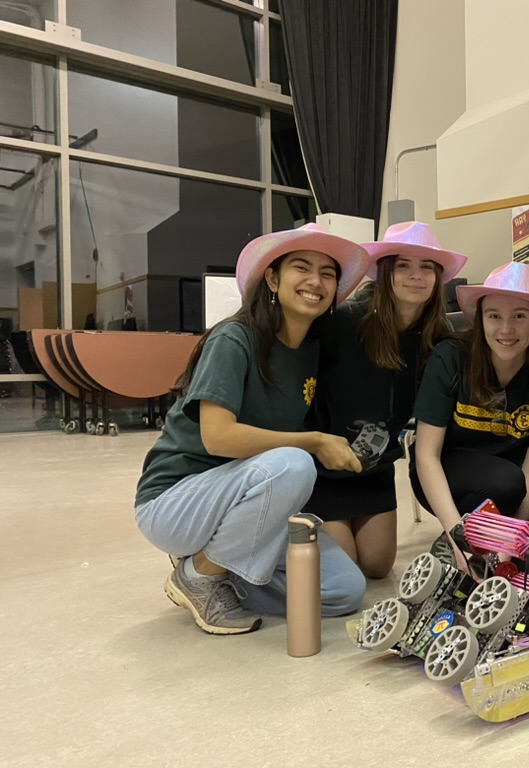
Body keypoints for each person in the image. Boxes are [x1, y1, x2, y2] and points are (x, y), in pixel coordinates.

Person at [134, 223, 371, 635]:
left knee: (343, 591)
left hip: (246, 502)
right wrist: (315, 442)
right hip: (175, 503)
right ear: (273, 279)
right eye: (302, 267)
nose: (316, 281)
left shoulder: (310, 350)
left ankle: (220, 574)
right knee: (294, 464)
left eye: (327, 273)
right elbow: (218, 437)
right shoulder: (234, 339)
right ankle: (200, 575)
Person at [304, 221, 466, 578]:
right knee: (345, 570)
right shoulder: (343, 322)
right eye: (403, 266)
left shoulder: (438, 336)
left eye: (427, 267)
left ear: (438, 278)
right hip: (323, 468)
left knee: (377, 566)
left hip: (375, 468)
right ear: (384, 272)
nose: (416, 276)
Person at [409, 261, 529, 570]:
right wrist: (458, 537)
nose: (506, 329)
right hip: (444, 475)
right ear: (480, 319)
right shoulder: (450, 358)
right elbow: (426, 455)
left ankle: (471, 542)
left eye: (519, 316)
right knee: (505, 483)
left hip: (513, 489)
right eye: (494, 316)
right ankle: (457, 540)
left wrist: (509, 541)